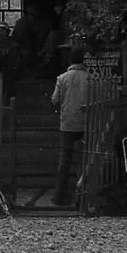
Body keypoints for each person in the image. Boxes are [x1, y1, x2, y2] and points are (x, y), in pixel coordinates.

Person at [51, 47, 89, 206]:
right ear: (83, 61)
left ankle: (60, 196)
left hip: (67, 123)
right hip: (85, 123)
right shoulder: (89, 77)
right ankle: (80, 196)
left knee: (65, 159)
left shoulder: (62, 78)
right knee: (83, 159)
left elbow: (54, 100)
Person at [0, 21, 24, 100]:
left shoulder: (13, 44)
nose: (1, 32)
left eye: (3, 30)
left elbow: (16, 61)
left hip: (10, 73)